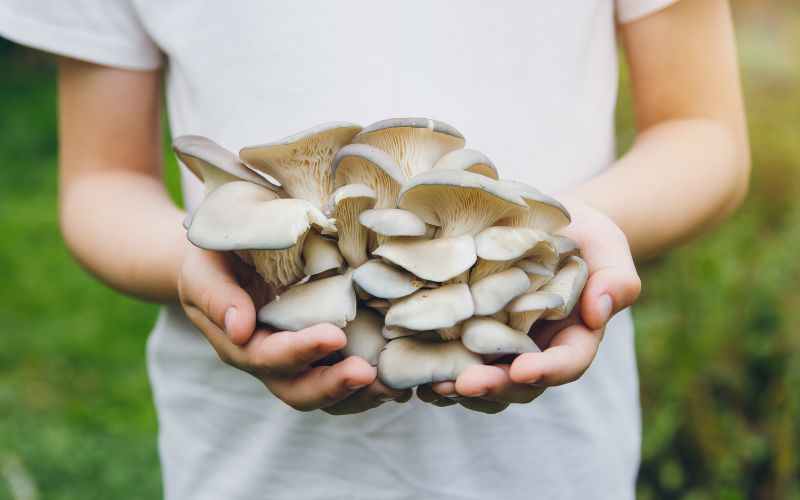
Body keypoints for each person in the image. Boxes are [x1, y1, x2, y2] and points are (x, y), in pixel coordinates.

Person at [0, 0, 749, 498]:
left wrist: (545, 245)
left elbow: (705, 132)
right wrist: (196, 265)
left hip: (548, 459)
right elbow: (100, 179)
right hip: (247, 464)